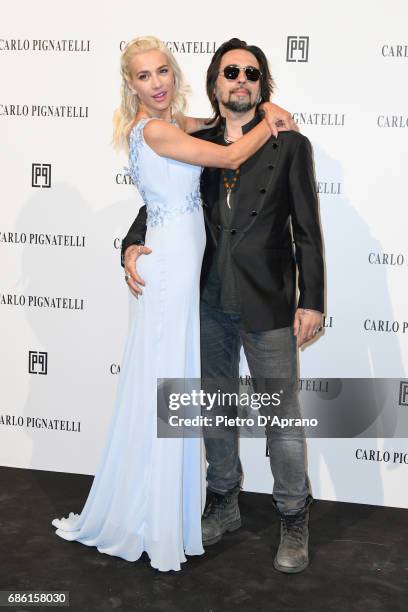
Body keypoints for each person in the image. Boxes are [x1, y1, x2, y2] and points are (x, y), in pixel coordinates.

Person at [51, 36, 295, 573]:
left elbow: (203, 136)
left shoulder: (171, 124)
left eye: (163, 71)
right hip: (172, 279)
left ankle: (168, 506)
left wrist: (266, 105)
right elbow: (229, 153)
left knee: (173, 386)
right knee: (172, 387)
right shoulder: (157, 130)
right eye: (144, 76)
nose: (157, 82)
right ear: (129, 84)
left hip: (189, 275)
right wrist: (269, 120)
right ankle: (155, 513)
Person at [121, 38, 325, 574]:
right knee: (213, 408)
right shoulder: (197, 137)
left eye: (252, 74)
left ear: (262, 85)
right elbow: (161, 200)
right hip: (207, 300)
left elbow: (307, 230)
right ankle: (224, 500)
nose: (241, 80)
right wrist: (130, 241)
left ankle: (293, 514)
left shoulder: (290, 146)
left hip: (269, 302)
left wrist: (314, 301)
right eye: (231, 71)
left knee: (281, 416)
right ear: (215, 83)